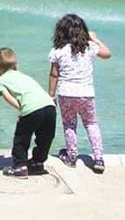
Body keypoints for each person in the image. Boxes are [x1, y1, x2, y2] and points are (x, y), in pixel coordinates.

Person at [48, 13, 111, 173]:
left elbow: (54, 74)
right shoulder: (88, 47)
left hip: (66, 93)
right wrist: (94, 39)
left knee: (69, 125)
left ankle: (71, 156)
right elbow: (107, 54)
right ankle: (98, 158)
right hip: (86, 94)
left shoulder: (58, 50)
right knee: (91, 124)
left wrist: (51, 95)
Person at [0, 47, 57, 178]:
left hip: (31, 109)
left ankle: (20, 166)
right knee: (45, 138)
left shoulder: (0, 80)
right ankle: (37, 163)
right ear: (16, 66)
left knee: (21, 139)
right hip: (50, 106)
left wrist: (22, 110)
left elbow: (8, 98)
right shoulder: (23, 76)